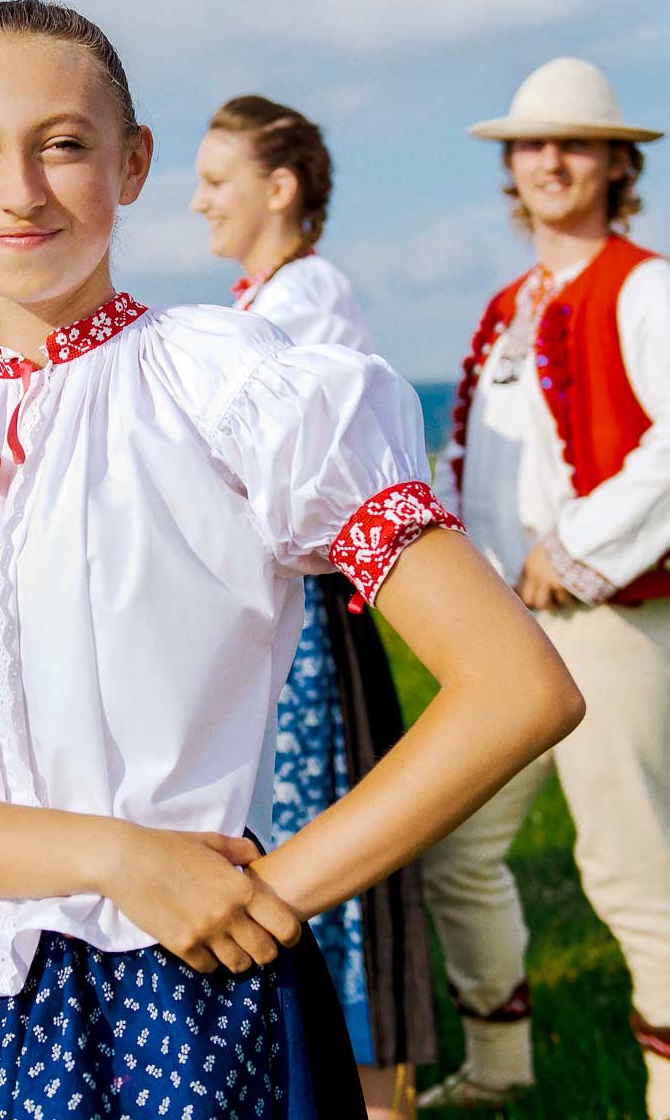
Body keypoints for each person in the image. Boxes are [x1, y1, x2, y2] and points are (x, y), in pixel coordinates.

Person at [0, 0, 585, 1120]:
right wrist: (120, 854)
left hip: (180, 1005)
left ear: (134, 160)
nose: (20, 189)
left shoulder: (231, 392)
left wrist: (266, 892)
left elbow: (515, 685)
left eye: (63, 144)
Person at [418, 58, 670, 1120]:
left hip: (614, 621)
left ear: (618, 162)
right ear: (510, 167)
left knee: (627, 863)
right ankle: (501, 1063)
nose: (549, 160)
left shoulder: (642, 283)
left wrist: (575, 547)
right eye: (530, 144)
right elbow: (479, 466)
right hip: (510, 634)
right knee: (455, 847)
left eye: (573, 142)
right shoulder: (509, 306)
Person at [192, 94, 435, 1119]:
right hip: (271, 638)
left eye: (217, 180)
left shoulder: (307, 301)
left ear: (279, 187)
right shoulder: (262, 303)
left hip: (313, 641)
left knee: (329, 857)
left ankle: (371, 1091)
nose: (200, 202)